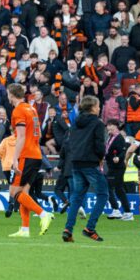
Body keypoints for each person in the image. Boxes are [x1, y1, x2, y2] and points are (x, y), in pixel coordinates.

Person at [7, 83, 54, 238]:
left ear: (11, 95)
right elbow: (38, 133)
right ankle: (25, 229)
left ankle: (43, 214)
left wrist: (15, 158)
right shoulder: (31, 109)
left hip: (26, 155)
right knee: (24, 192)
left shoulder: (18, 110)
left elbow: (20, 136)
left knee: (14, 192)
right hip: (36, 154)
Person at [61, 95, 109, 242]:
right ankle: (90, 228)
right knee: (103, 194)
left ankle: (68, 229)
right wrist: (101, 158)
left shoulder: (75, 123)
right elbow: (100, 145)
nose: (100, 108)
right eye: (98, 105)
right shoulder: (98, 124)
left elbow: (69, 143)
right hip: (90, 163)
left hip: (75, 162)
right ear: (93, 107)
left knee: (76, 197)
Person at [104, 120, 133, 221]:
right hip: (112, 166)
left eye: (111, 125)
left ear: (116, 127)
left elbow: (124, 151)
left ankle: (118, 210)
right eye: (108, 125)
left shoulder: (119, 137)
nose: (109, 127)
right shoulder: (110, 137)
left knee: (110, 187)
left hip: (117, 167)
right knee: (118, 189)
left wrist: (119, 158)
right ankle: (125, 212)